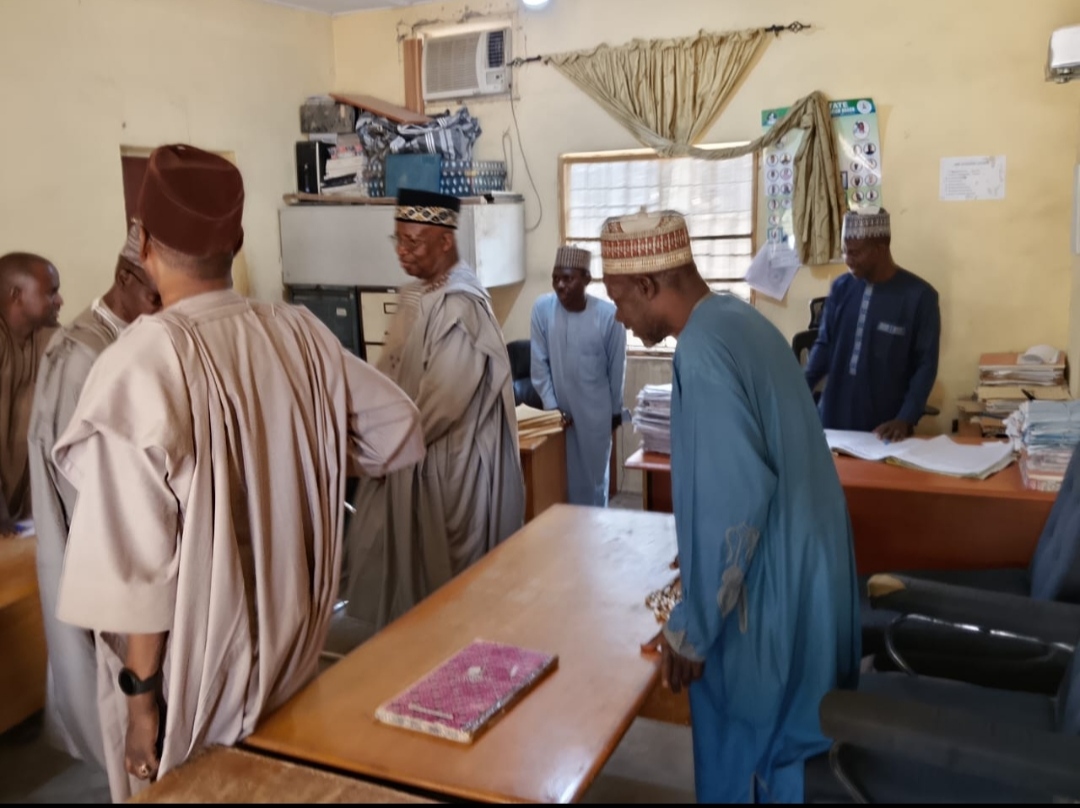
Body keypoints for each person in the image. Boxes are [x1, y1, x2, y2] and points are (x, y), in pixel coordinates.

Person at [51, 144, 425, 802]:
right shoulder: (297, 332)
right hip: (295, 655)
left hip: (193, 687)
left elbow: (141, 571)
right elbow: (398, 429)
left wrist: (140, 704)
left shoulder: (142, 364)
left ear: (143, 242)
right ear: (239, 239)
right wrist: (304, 454)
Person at [603, 210, 859, 803]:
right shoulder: (738, 318)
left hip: (774, 592)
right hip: (810, 568)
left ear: (648, 286)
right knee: (806, 738)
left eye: (618, 298)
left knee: (759, 755)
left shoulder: (702, 351)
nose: (616, 315)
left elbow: (733, 507)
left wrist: (693, 629)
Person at [345, 188, 526, 640]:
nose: (404, 252)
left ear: (446, 240)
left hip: (448, 469)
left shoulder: (459, 305)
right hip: (409, 455)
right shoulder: (416, 294)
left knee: (448, 587)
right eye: (398, 241)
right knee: (411, 590)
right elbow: (389, 370)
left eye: (415, 242)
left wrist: (376, 444)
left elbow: (440, 404)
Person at [27, 224, 161, 773]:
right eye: (156, 296)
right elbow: (80, 488)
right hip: (104, 552)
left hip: (135, 541)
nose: (162, 309)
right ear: (126, 278)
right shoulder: (80, 355)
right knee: (116, 696)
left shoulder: (132, 337)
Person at [804, 207, 940, 441]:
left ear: (880, 249)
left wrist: (905, 418)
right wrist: (799, 389)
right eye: (845, 251)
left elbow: (925, 365)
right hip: (832, 421)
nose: (847, 260)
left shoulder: (919, 297)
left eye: (855, 253)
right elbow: (824, 345)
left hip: (885, 429)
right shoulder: (841, 288)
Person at [530, 245, 626, 506]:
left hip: (595, 418)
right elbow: (539, 365)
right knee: (558, 485)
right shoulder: (542, 309)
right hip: (558, 418)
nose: (560, 285)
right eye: (555, 278)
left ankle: (595, 541)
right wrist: (552, 409)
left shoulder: (609, 317)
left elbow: (617, 369)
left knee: (594, 485)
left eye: (568, 278)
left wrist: (614, 412)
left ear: (586, 279)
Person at [0, 252, 62, 534]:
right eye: (51, 293)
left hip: (22, 517)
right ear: (17, 295)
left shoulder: (48, 338)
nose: (59, 301)